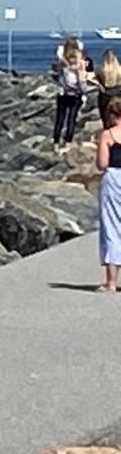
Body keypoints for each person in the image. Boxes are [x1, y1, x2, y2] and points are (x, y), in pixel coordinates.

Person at [96, 97, 121, 291]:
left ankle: (111, 281)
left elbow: (102, 164)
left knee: (112, 227)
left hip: (113, 178)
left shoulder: (108, 135)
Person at [53, 37, 87, 150]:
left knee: (60, 118)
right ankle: (68, 143)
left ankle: (56, 143)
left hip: (63, 93)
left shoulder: (62, 61)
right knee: (71, 119)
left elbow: (59, 56)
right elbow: (82, 81)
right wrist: (84, 91)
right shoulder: (79, 63)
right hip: (75, 94)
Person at [96, 49, 121, 123]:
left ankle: (107, 132)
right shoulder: (119, 69)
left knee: (105, 117)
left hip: (105, 94)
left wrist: (99, 85)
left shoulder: (101, 69)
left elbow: (94, 79)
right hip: (118, 94)